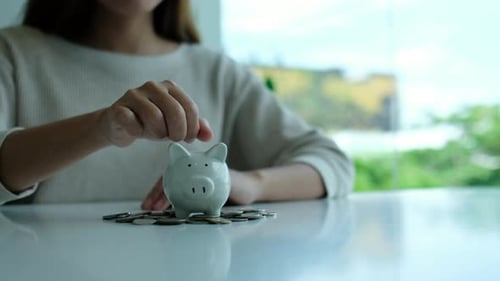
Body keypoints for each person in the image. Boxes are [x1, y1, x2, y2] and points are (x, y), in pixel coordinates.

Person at [0, 0, 354, 210]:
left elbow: (331, 164)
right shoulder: (13, 54)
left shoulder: (218, 72)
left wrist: (249, 184)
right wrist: (101, 127)